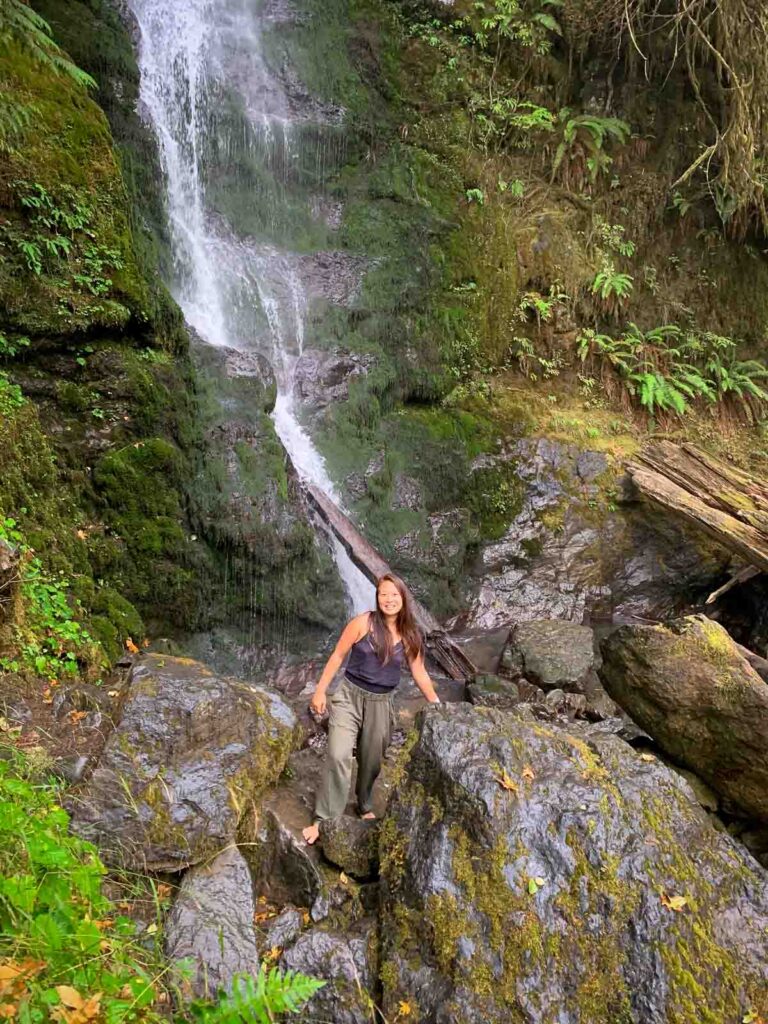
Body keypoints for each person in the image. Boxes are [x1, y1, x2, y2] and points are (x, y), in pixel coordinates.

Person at [302, 573, 441, 845]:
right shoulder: (362, 623)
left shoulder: (412, 635)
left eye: (394, 595)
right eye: (383, 595)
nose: (388, 600)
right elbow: (338, 655)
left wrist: (436, 703)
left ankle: (363, 803)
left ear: (403, 598)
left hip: (382, 702)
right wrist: (320, 691)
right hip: (349, 697)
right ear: (377, 598)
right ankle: (324, 820)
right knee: (338, 753)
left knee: (372, 758)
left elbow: (419, 672)